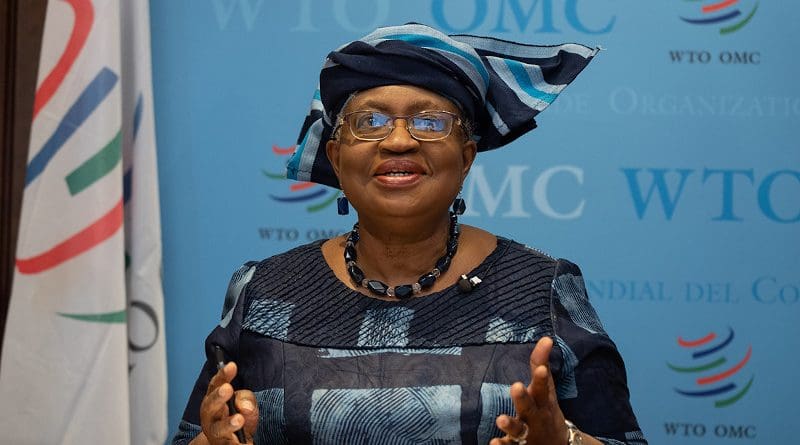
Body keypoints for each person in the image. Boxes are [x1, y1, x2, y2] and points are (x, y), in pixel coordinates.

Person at [172, 23, 646, 445]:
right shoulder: (265, 291)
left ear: (466, 158)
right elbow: (199, 435)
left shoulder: (541, 288)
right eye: (370, 122)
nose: (399, 140)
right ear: (336, 158)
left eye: (429, 123)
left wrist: (562, 441)